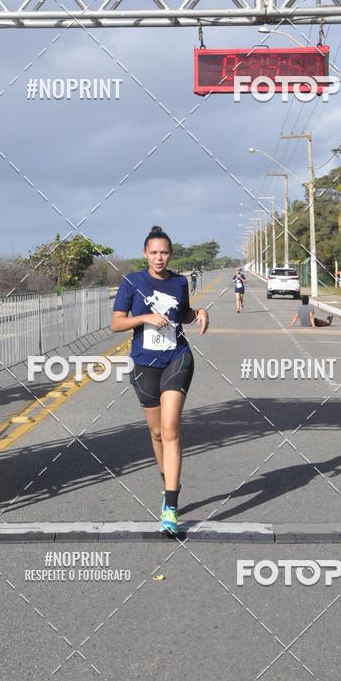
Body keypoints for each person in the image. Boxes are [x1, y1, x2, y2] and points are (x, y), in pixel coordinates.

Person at [111, 226, 209, 535]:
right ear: (145, 254)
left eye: (164, 252)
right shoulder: (132, 282)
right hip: (143, 364)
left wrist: (199, 313)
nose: (159, 258)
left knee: (170, 429)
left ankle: (171, 505)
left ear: (170, 254)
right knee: (156, 433)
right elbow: (116, 324)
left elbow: (184, 314)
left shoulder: (180, 282)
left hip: (176, 358)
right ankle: (167, 479)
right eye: (153, 253)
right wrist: (144, 318)